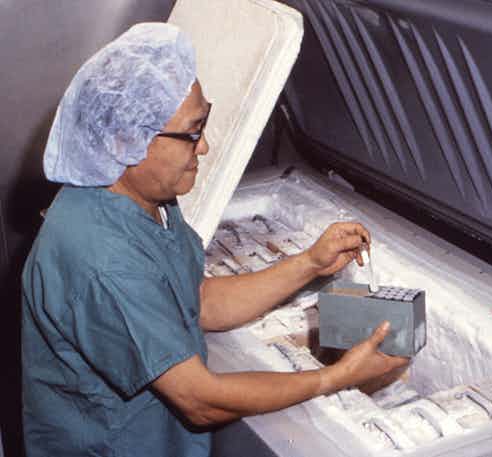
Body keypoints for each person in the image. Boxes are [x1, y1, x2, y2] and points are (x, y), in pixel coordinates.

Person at [21, 23, 408, 457]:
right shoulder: (102, 257)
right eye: (192, 133)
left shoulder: (145, 199)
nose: (203, 147)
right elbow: (200, 400)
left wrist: (310, 264)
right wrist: (338, 377)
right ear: (126, 140)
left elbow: (198, 300)